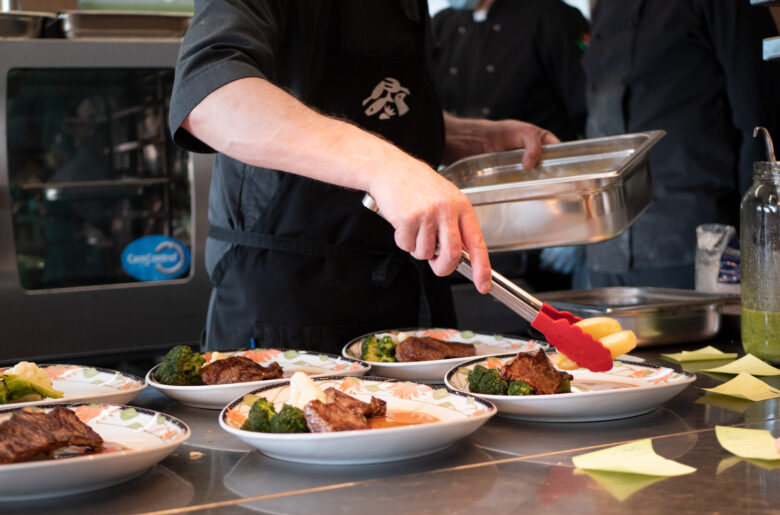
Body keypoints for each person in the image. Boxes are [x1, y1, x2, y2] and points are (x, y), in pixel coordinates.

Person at [168, 0, 557, 353]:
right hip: (293, 302)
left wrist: (470, 137)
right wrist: (387, 168)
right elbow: (208, 97)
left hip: (411, 291)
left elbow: (366, 105)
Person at [579, 0, 780, 289]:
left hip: (701, 248)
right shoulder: (605, 7)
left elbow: (760, 119)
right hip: (606, 253)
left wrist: (756, 243)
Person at [431, 0, 589, 290]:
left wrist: (580, 219)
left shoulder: (553, 18)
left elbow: (591, 121)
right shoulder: (439, 26)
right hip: (467, 225)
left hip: (544, 223)